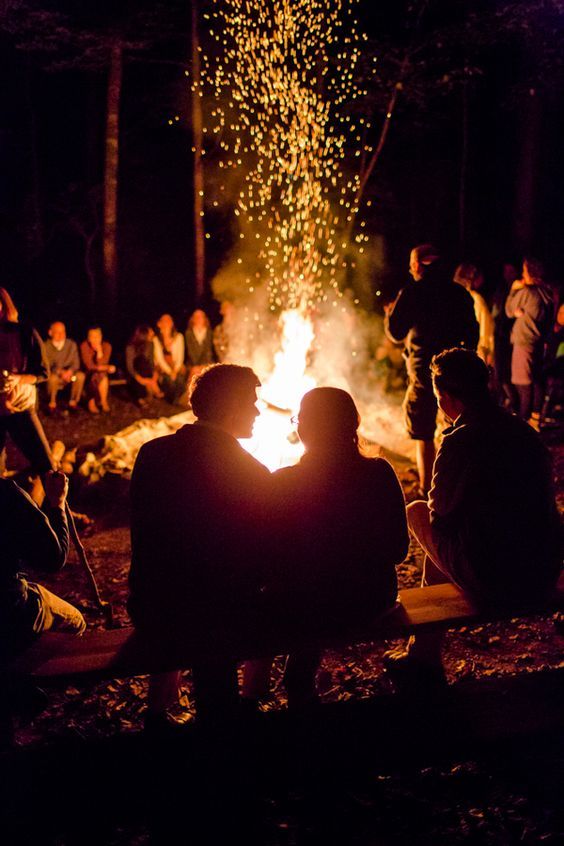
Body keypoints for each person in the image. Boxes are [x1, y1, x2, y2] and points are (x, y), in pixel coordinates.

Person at [386, 348, 562, 685]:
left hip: (499, 577)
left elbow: (439, 512)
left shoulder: (460, 440)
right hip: (543, 567)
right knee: (448, 534)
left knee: (418, 513)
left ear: (448, 397)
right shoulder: (524, 432)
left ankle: (423, 655)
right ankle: (420, 654)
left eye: (439, 398)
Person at [242, 387, 409, 707]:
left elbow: (267, 559)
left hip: (307, 604)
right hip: (372, 598)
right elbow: (399, 550)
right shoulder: (380, 472)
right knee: (314, 593)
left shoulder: (284, 481)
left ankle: (253, 697)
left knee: (285, 599)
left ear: (304, 429)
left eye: (298, 420)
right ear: (353, 424)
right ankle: (295, 679)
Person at [127, 363, 271, 727]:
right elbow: (260, 557)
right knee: (226, 606)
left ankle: (167, 716)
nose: (258, 411)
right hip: (216, 615)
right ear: (228, 407)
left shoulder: (151, 453)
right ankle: (225, 719)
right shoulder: (250, 471)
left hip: (152, 605)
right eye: (252, 402)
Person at [385, 245, 479, 495]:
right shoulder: (459, 293)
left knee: (423, 430)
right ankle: (459, 484)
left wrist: (389, 314)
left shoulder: (412, 292)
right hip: (455, 370)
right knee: (459, 425)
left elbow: (395, 332)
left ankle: (429, 489)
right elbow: (472, 333)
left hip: (423, 372)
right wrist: (465, 363)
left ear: (417, 265)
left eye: (411, 264)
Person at [0, 470, 86, 662]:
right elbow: (54, 559)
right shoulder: (6, 492)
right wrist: (58, 502)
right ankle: (27, 676)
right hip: (9, 607)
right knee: (76, 621)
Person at [0, 287, 54, 481]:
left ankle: (59, 509)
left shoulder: (24, 332)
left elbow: (43, 373)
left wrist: (18, 379)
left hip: (19, 406)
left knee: (46, 464)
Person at [505, 257, 554, 424]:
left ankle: (523, 422)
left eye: (524, 270)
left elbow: (509, 310)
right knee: (536, 379)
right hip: (538, 342)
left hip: (524, 342)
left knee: (523, 383)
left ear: (529, 272)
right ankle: (535, 418)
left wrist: (513, 290)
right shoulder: (546, 292)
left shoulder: (526, 293)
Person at [453, 264, 494, 365]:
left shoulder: (455, 298)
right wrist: (489, 351)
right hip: (478, 350)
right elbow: (486, 328)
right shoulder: (475, 299)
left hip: (459, 349)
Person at [44, 321, 85, 414]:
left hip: (70, 375)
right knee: (52, 379)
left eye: (63, 332)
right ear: (50, 333)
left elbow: (76, 363)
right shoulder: (46, 346)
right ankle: (52, 404)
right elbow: (46, 365)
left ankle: (73, 402)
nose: (61, 335)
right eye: (57, 332)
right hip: (56, 375)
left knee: (80, 376)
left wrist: (70, 372)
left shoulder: (71, 345)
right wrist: (60, 372)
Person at [125, 325, 163, 407]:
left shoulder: (150, 344)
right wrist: (139, 379)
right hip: (134, 374)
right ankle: (144, 395)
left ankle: (148, 391)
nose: (153, 334)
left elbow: (151, 362)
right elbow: (130, 367)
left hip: (146, 372)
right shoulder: (131, 347)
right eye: (150, 333)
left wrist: (154, 376)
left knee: (144, 362)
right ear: (143, 335)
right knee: (140, 361)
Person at [80, 326, 116, 414]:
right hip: (87, 373)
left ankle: (98, 401)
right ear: (88, 338)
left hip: (100, 373)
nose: (95, 339)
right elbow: (89, 366)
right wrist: (107, 368)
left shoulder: (107, 346)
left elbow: (102, 364)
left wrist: (99, 352)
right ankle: (97, 402)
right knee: (99, 375)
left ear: (101, 337)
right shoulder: (84, 346)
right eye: (92, 336)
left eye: (97, 336)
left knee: (101, 375)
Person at [153, 313, 187, 405]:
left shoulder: (179, 337)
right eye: (164, 320)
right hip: (163, 368)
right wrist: (169, 372)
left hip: (176, 366)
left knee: (179, 379)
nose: (167, 323)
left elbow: (180, 356)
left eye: (169, 320)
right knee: (169, 380)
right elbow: (159, 360)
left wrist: (175, 370)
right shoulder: (156, 340)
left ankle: (179, 399)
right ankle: (172, 400)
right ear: (159, 324)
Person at [185, 309, 214, 383]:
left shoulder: (210, 333)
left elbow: (208, 351)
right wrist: (196, 366)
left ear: (205, 319)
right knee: (193, 376)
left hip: (207, 363)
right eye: (196, 317)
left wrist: (203, 366)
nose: (198, 319)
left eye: (201, 316)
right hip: (192, 365)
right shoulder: (189, 334)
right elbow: (190, 352)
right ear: (193, 319)